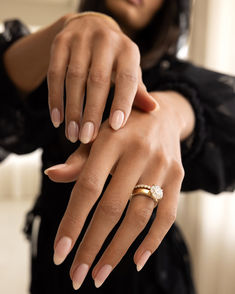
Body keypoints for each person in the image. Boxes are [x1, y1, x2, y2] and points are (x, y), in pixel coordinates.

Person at [0, 0, 235, 293]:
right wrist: (65, 29)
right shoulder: (52, 67)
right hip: (58, 264)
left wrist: (174, 113)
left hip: (149, 273)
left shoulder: (175, 74)